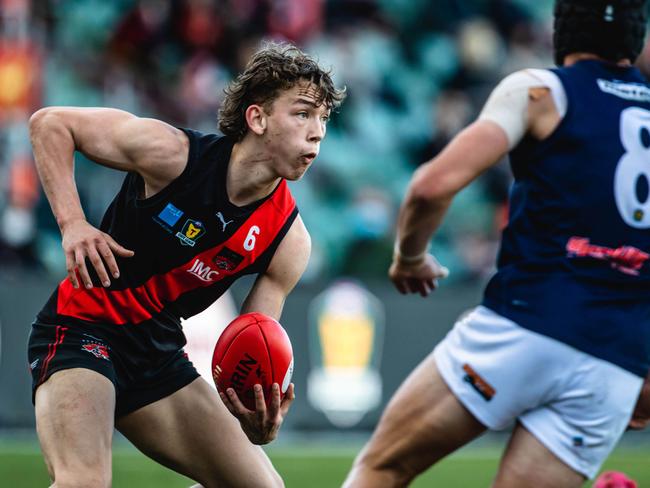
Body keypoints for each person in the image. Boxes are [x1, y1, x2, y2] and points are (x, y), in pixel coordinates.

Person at [343, 1, 650, 487]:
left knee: (383, 467)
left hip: (528, 321)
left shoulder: (540, 90)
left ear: (562, 31)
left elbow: (431, 186)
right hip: (616, 357)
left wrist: (410, 257)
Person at [27, 42, 344, 488]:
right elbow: (50, 124)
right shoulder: (172, 155)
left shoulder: (288, 241)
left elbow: (253, 342)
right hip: (82, 330)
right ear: (257, 118)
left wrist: (255, 413)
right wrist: (73, 223)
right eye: (303, 114)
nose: (318, 132)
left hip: (157, 356)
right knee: (84, 483)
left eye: (324, 119)